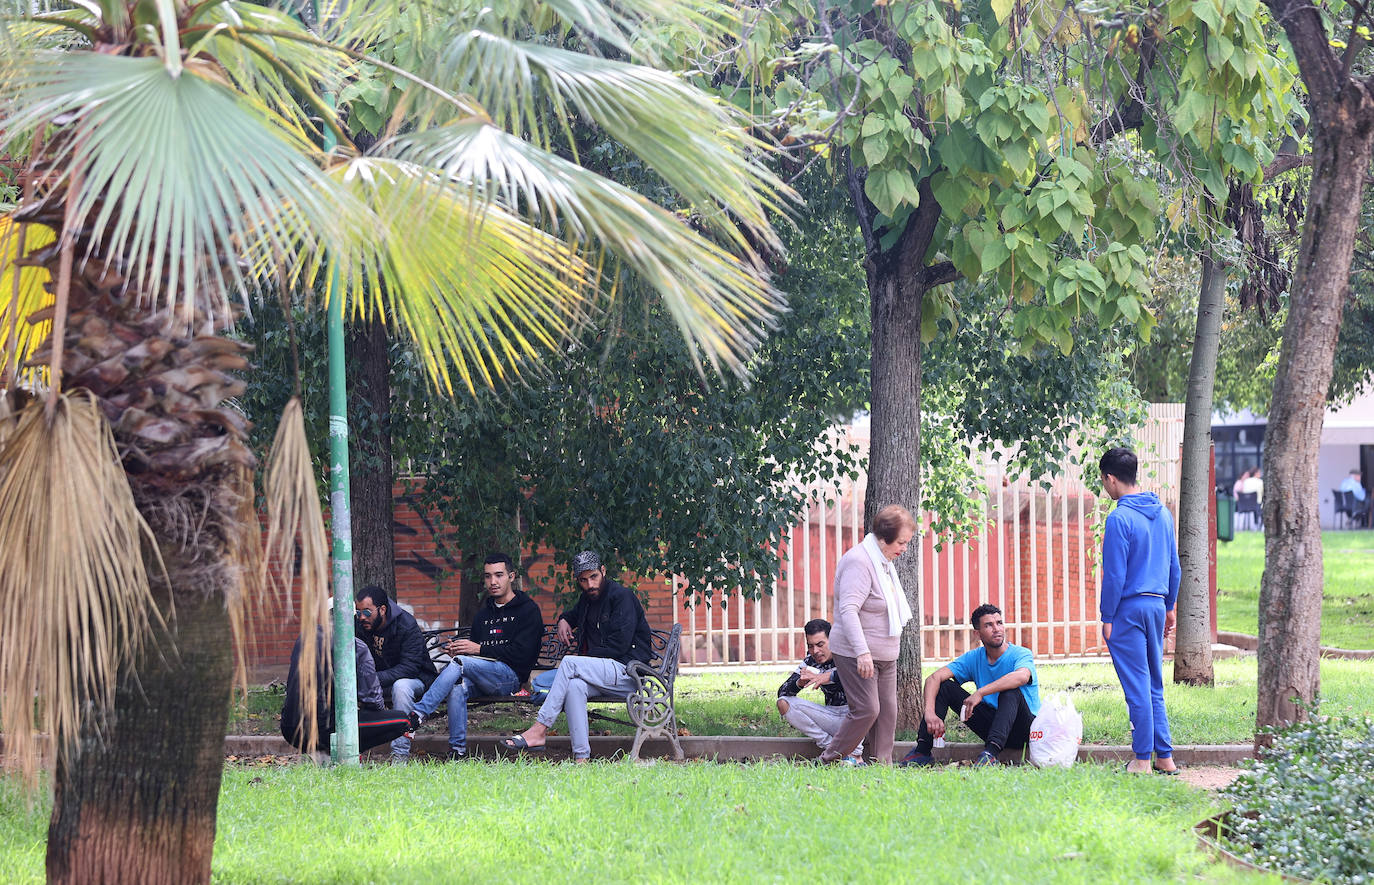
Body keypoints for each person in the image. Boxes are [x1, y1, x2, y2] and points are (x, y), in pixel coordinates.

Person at [502, 551, 653, 762]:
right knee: (574, 687)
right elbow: (572, 615)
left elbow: (620, 645)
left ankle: (539, 729)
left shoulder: (622, 597)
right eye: (583, 580)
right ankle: (581, 758)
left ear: (603, 571)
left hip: (629, 672)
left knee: (571, 663)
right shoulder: (587, 600)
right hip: (605, 675)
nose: (589, 584)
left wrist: (586, 660)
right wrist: (563, 619)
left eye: (594, 577)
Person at [407, 553, 544, 759]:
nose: (493, 582)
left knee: (460, 664)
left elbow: (522, 656)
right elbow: (477, 654)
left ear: (512, 576)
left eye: (499, 575)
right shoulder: (484, 614)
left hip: (510, 679)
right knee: (457, 684)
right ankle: (457, 751)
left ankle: (418, 714)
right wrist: (460, 649)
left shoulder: (528, 610)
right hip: (483, 677)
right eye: (488, 576)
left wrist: (476, 651)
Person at [1098, 447, 1180, 775]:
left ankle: (1142, 759)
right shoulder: (1162, 513)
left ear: (1111, 478)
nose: (1105, 486)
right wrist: (1170, 606)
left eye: (1104, 481)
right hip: (1157, 605)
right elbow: (1175, 566)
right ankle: (1165, 758)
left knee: (1137, 684)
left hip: (1128, 610)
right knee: (1153, 684)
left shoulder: (1119, 517)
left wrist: (1107, 617)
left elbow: (1114, 575)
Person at [817, 504, 917, 765]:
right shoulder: (860, 562)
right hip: (857, 653)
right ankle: (828, 760)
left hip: (886, 655)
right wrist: (863, 652)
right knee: (866, 710)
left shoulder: (883, 562)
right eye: (901, 542)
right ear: (884, 538)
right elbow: (848, 611)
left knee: (887, 712)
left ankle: (881, 766)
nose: (904, 549)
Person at [899, 604, 1039, 767]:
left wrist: (980, 693)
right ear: (977, 633)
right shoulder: (975, 658)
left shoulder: (1021, 654)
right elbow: (933, 678)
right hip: (994, 726)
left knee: (1010, 692)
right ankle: (922, 751)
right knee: (944, 687)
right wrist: (929, 713)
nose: (996, 629)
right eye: (988, 625)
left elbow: (1021, 677)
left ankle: (990, 755)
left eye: (999, 623)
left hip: (1023, 731)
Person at [280, 631, 412, 754]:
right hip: (323, 730)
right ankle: (348, 755)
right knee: (402, 720)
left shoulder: (305, 636)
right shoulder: (353, 644)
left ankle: (326, 756)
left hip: (289, 729)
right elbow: (372, 700)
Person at [355, 585, 437, 761]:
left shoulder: (405, 624)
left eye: (367, 612)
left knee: (401, 687)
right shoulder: (360, 625)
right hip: (381, 682)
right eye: (358, 612)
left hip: (416, 680)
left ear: (382, 610)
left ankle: (400, 755)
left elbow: (410, 668)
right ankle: (351, 753)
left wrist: (373, 679)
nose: (362, 617)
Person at [776, 619, 861, 763]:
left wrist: (826, 677)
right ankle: (831, 748)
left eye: (820, 645)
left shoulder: (847, 655)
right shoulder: (810, 661)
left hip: (856, 717)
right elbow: (782, 691)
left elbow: (857, 678)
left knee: (866, 706)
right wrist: (799, 683)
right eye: (811, 646)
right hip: (830, 716)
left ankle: (854, 755)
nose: (815, 651)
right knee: (783, 702)